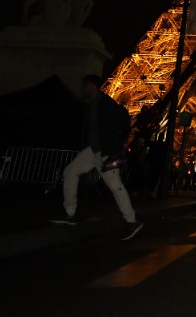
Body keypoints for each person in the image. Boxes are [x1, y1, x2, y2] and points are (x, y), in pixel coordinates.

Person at [50, 74, 143, 240]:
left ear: (92, 86)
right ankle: (69, 212)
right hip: (93, 150)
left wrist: (113, 153)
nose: (82, 89)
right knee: (70, 171)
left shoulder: (106, 104)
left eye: (85, 86)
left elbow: (120, 127)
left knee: (116, 187)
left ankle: (132, 220)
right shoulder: (93, 105)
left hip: (106, 153)